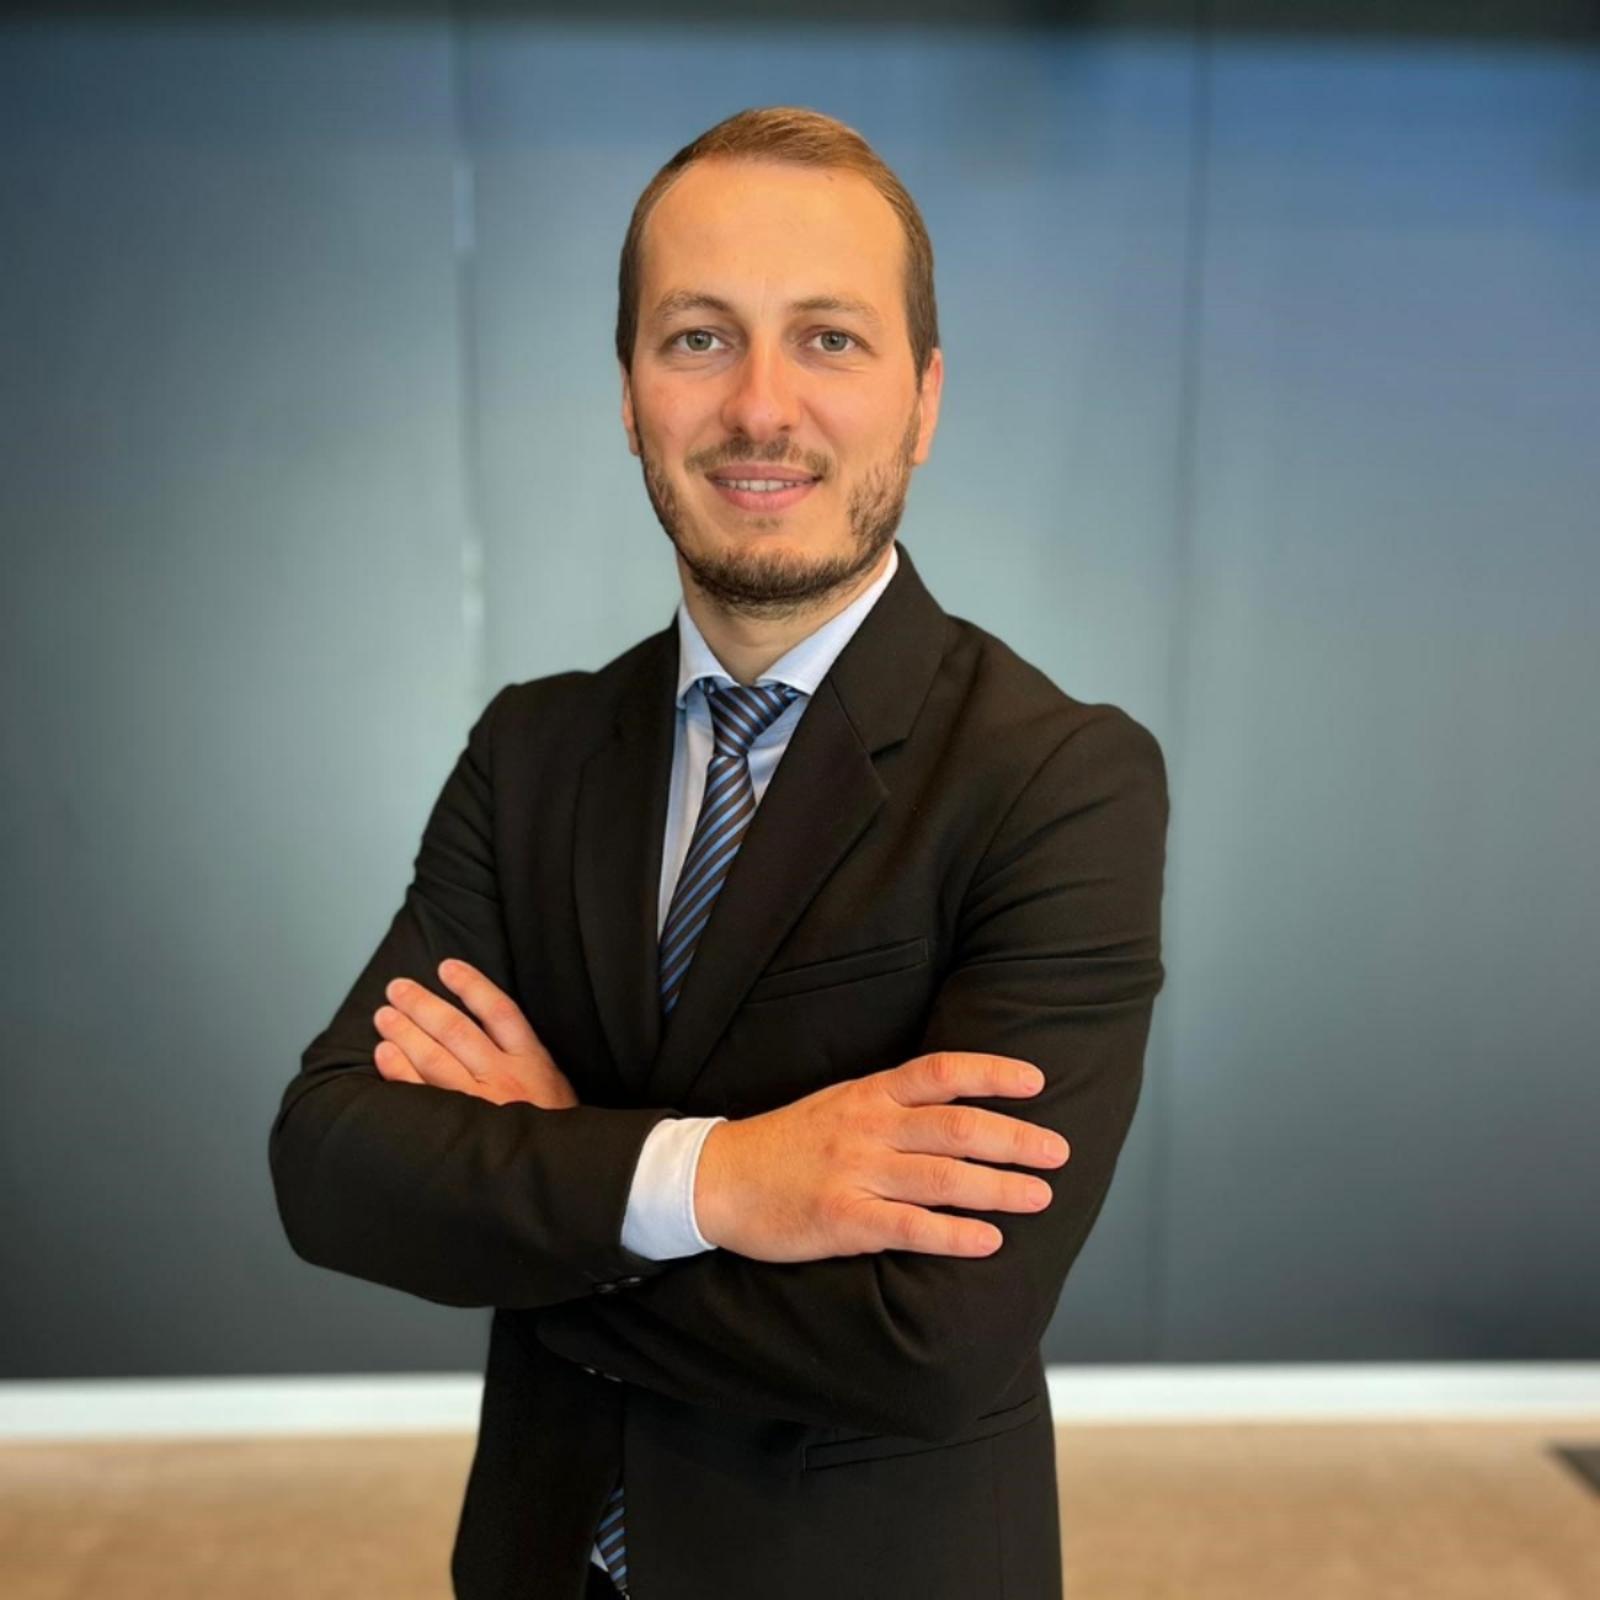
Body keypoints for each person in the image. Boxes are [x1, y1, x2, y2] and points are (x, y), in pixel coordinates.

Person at [269, 105, 1168, 1600]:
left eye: (829, 339)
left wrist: (552, 1190)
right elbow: (333, 1166)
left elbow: (934, 1339)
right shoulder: (531, 748)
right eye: (698, 338)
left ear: (925, 398)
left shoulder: (1057, 778)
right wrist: (725, 1179)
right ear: (630, 393)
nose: (760, 406)